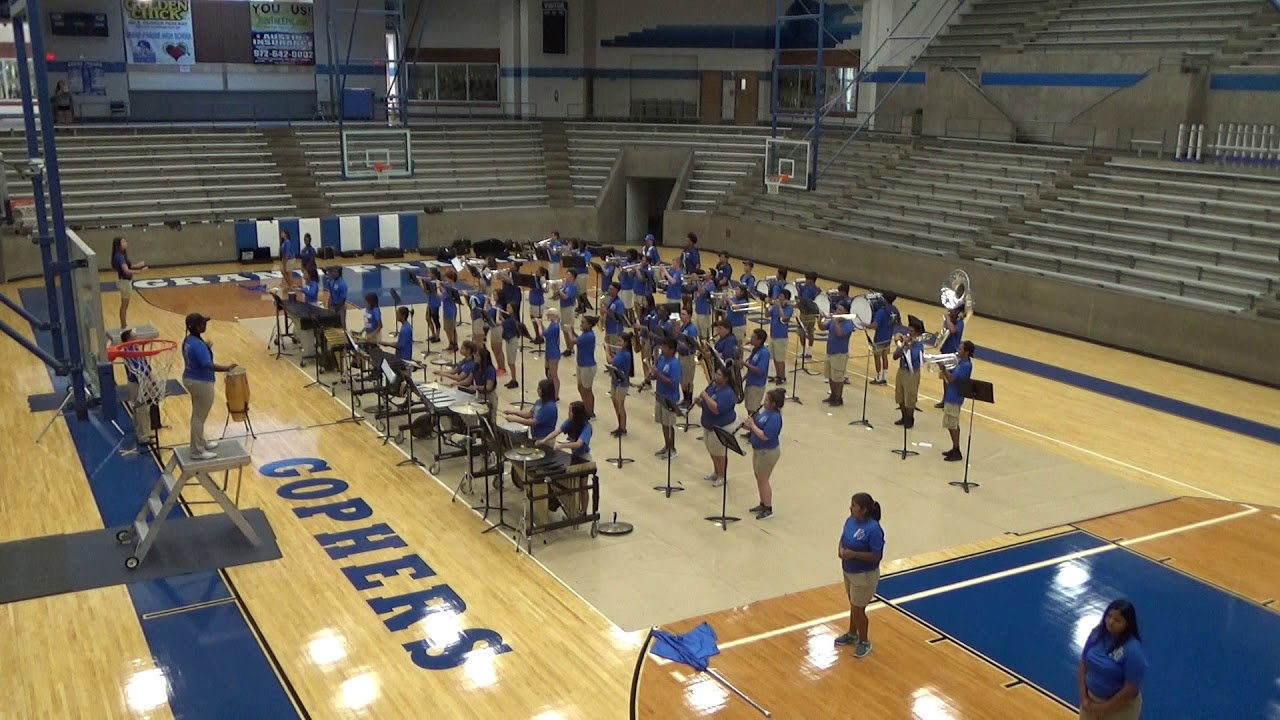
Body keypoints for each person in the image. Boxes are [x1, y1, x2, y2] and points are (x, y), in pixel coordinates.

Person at [1078, 600, 1147, 720]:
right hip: (1091, 701)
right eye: (1109, 616)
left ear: (1127, 624)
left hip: (1120, 707)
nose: (1110, 622)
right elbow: (1083, 665)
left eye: (1117, 620)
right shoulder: (1096, 634)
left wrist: (1106, 708)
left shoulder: (1133, 651)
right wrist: (1084, 698)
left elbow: (1130, 689)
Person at [181, 313, 238, 460]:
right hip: (201, 382)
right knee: (199, 418)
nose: (204, 325)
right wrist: (227, 368)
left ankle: (200, 443)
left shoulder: (188, 340)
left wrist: (206, 349)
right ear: (195, 326)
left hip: (190, 378)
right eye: (202, 323)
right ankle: (197, 451)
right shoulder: (198, 345)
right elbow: (207, 365)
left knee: (197, 415)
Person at [836, 492, 884, 659]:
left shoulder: (874, 529)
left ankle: (864, 640)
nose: (850, 508)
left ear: (863, 510)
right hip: (848, 570)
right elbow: (843, 538)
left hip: (864, 575)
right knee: (853, 604)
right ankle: (852, 633)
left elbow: (876, 556)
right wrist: (840, 550)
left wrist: (854, 554)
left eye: (854, 506)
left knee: (858, 608)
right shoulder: (850, 521)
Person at [743, 388, 784, 519]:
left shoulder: (775, 418)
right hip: (758, 451)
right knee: (759, 477)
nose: (764, 401)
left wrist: (752, 426)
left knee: (763, 479)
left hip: (768, 452)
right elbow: (757, 425)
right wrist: (748, 425)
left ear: (773, 403)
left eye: (766, 400)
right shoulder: (766, 412)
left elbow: (765, 436)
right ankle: (762, 503)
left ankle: (768, 508)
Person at [695, 366, 738, 488]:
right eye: (716, 373)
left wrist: (705, 397)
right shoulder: (712, 386)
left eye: (719, 375)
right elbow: (706, 403)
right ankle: (716, 471)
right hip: (708, 424)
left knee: (720, 453)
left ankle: (722, 476)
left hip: (721, 426)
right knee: (711, 449)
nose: (715, 376)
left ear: (725, 379)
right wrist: (700, 402)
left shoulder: (728, 393)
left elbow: (716, 409)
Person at [939, 340, 975, 461]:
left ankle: (956, 449)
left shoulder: (966, 365)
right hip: (951, 395)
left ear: (966, 352)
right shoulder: (960, 362)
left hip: (955, 397)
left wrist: (943, 368)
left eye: (960, 349)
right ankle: (955, 447)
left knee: (953, 424)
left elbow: (951, 379)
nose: (957, 351)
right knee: (951, 423)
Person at [118, 328, 155, 445]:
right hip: (137, 383)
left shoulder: (133, 348)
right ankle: (143, 437)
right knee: (142, 409)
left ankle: (142, 431)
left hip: (138, 382)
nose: (137, 336)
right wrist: (148, 380)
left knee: (140, 408)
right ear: (129, 338)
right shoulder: (129, 351)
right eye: (134, 335)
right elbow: (138, 369)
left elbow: (145, 365)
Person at [648, 338, 682, 459]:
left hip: (670, 398)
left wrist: (658, 375)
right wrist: (652, 376)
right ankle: (666, 446)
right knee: (663, 423)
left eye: (665, 348)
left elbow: (673, 383)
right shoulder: (662, 359)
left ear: (672, 350)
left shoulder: (675, 364)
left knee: (669, 425)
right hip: (660, 395)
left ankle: (672, 449)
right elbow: (657, 376)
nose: (662, 349)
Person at [503, 378, 558, 445]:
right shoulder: (539, 401)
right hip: (536, 436)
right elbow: (530, 414)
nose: (537, 390)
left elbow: (533, 422)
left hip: (545, 439)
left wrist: (515, 419)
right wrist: (514, 412)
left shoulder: (549, 407)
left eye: (540, 389)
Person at [892, 319, 924, 429]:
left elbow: (915, 358)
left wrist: (909, 347)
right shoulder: (904, 342)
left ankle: (910, 419)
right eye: (908, 330)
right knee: (899, 395)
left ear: (917, 333)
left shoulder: (919, 345)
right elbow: (895, 356)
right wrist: (902, 346)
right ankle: (904, 416)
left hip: (912, 373)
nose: (909, 333)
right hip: (901, 370)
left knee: (910, 397)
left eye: (912, 331)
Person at [821, 301, 855, 407]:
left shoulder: (848, 324)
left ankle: (838, 397)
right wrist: (820, 318)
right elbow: (822, 327)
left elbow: (840, 334)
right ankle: (833, 395)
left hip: (840, 354)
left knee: (838, 378)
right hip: (830, 351)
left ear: (845, 312)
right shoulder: (833, 321)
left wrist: (835, 321)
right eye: (837, 309)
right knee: (831, 376)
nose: (837, 311)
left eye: (840, 310)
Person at [110, 236, 147, 329]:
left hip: (124, 281)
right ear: (118, 245)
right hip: (124, 282)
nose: (126, 243)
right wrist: (140, 272)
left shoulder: (121, 255)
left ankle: (124, 324)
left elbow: (131, 266)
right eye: (123, 242)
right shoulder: (119, 257)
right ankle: (123, 325)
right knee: (124, 305)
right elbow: (126, 270)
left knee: (125, 304)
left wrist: (139, 265)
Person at [935, 305, 967, 408]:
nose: (949, 311)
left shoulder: (960, 323)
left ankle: (949, 400)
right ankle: (945, 399)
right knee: (945, 378)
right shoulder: (947, 322)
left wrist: (947, 319)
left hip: (953, 354)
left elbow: (953, 330)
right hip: (945, 351)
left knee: (950, 378)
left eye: (952, 310)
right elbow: (945, 333)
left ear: (957, 311)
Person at [869, 292, 900, 385]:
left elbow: (874, 325)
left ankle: (878, 378)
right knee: (885, 356)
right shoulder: (895, 310)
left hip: (879, 338)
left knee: (877, 357)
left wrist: (864, 324)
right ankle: (885, 377)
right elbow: (899, 323)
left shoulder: (881, 311)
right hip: (888, 338)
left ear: (884, 300)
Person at [608, 332, 633, 436]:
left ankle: (623, 428)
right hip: (615, 380)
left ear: (626, 343)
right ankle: (619, 425)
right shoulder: (620, 352)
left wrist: (606, 351)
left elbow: (610, 361)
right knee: (615, 403)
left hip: (622, 383)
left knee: (620, 405)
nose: (617, 343)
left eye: (620, 341)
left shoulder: (626, 354)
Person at [742, 328, 771, 415]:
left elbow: (759, 371)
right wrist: (744, 378)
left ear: (760, 340)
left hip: (757, 385)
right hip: (750, 382)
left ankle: (754, 427)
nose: (751, 339)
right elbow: (752, 366)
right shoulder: (755, 350)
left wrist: (744, 363)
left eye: (753, 337)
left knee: (753, 410)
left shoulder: (764, 353)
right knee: (749, 408)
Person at [769, 290, 794, 383]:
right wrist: (767, 305)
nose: (779, 298)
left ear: (786, 298)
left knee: (780, 359)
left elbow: (784, 318)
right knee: (775, 358)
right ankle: (777, 375)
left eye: (781, 296)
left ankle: (782, 377)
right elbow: (767, 314)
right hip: (773, 335)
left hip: (781, 337)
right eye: (779, 296)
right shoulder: (775, 307)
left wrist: (779, 307)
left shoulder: (789, 308)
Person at [576, 315, 598, 418]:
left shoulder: (589, 336)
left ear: (589, 325)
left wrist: (569, 331)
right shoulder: (584, 334)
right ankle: (585, 406)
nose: (581, 324)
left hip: (588, 366)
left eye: (583, 322)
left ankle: (590, 412)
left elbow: (573, 340)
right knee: (580, 387)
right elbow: (578, 339)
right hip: (581, 364)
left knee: (587, 389)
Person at [797, 272, 821, 360]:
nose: (806, 281)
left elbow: (818, 302)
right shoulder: (802, 288)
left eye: (808, 279)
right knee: (801, 332)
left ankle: (809, 351)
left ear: (812, 280)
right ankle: (803, 350)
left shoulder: (817, 290)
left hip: (811, 313)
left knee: (810, 331)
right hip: (803, 312)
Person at [602, 282, 626, 361]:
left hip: (615, 330)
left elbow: (618, 318)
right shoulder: (611, 300)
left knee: (614, 349)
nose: (608, 290)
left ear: (616, 290)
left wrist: (607, 311)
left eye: (611, 289)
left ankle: (615, 365)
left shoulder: (619, 303)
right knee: (608, 347)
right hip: (609, 328)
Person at [543, 307, 563, 400]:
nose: (547, 316)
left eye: (549, 314)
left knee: (554, 375)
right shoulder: (552, 324)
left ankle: (556, 395)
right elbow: (546, 332)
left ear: (554, 316)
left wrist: (539, 325)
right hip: (549, 351)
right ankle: (551, 392)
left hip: (553, 352)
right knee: (549, 373)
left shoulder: (555, 326)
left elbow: (543, 334)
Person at [559, 270, 579, 354]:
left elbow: (565, 297)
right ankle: (568, 347)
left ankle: (571, 348)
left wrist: (559, 290)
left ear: (573, 277)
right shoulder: (566, 284)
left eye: (568, 275)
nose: (566, 276)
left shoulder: (573, 286)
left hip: (568, 308)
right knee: (564, 328)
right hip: (563, 307)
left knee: (568, 328)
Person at [501, 304, 519, 389]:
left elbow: (502, 324)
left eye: (509, 307)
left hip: (512, 341)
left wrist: (499, 316)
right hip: (509, 341)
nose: (506, 309)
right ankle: (512, 379)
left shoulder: (511, 319)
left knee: (511, 362)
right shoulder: (509, 318)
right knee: (509, 362)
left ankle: (514, 380)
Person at [529, 267, 548, 344]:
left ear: (541, 273)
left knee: (538, 321)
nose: (535, 272)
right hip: (533, 302)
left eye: (537, 271)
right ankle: (537, 336)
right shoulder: (534, 278)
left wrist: (542, 281)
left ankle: (542, 336)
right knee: (533, 320)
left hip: (538, 303)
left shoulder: (541, 280)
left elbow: (545, 290)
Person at [693, 273, 715, 338]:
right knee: (697, 332)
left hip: (705, 311)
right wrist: (691, 280)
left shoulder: (712, 285)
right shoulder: (702, 283)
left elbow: (702, 292)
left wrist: (697, 281)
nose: (705, 274)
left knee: (704, 333)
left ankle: (706, 347)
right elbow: (689, 288)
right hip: (697, 310)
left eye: (708, 272)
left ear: (711, 276)